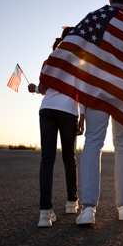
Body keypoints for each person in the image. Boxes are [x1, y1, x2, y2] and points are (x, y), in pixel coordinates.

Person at [39, 0, 123, 225]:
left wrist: (52, 69)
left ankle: (88, 209)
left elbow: (74, 43)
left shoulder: (96, 16)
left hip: (97, 91)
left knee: (93, 143)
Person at [28, 27, 84, 228]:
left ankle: (45, 213)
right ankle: (72, 202)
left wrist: (33, 88)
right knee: (69, 157)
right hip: (68, 111)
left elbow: (44, 88)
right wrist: (82, 117)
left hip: (47, 110)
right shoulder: (78, 60)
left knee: (47, 159)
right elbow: (82, 91)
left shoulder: (49, 60)